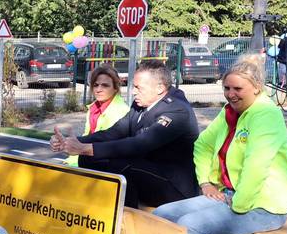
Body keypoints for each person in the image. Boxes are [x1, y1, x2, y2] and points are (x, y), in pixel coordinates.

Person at [153, 54, 287, 234]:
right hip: (231, 196)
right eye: (227, 88)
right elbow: (202, 145)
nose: (231, 94)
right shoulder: (230, 113)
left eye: (237, 89)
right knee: (161, 215)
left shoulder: (266, 115)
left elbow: (257, 165)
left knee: (189, 226)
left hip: (264, 206)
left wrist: (237, 204)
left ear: (256, 88)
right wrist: (205, 182)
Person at [50, 60, 200, 208]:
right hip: (149, 171)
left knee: (119, 165)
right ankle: (98, 206)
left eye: (138, 87)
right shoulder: (143, 101)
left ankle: (125, 219)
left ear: (160, 88)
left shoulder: (177, 110)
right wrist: (74, 142)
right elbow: (116, 131)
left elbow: (141, 144)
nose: (133, 92)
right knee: (88, 159)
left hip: (174, 186)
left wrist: (86, 148)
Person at [62, 66, 130, 167]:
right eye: (96, 85)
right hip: (87, 160)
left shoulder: (121, 111)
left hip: (106, 165)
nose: (99, 89)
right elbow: (87, 137)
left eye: (105, 85)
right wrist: (66, 144)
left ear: (115, 88)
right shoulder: (93, 108)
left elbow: (108, 146)